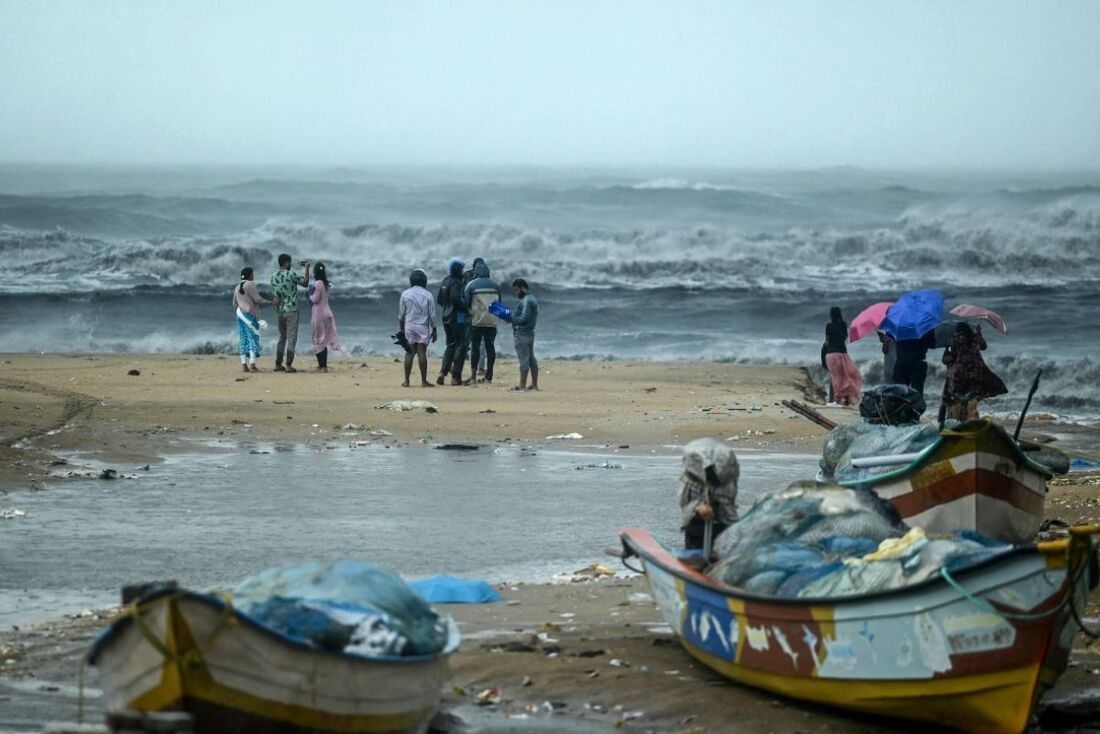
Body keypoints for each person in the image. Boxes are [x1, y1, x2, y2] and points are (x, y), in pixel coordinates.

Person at [679, 438, 739, 551]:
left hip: (721, 523)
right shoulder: (693, 481)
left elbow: (728, 501)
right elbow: (686, 501)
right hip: (697, 524)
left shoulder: (727, 479)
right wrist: (699, 509)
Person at [942, 322, 1007, 421]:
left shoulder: (955, 338)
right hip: (976, 368)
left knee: (958, 396)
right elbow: (984, 346)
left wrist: (948, 349)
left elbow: (952, 355)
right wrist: (979, 332)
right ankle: (972, 421)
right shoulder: (975, 336)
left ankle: (955, 422)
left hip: (961, 369)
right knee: (973, 396)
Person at [270, 254, 310, 373]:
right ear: (286, 262)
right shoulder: (291, 274)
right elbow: (305, 283)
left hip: (280, 310)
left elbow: (276, 294)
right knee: (292, 337)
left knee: (282, 337)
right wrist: (307, 269)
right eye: (290, 262)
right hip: (292, 309)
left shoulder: (273, 276)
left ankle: (278, 363)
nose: (291, 264)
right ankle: (288, 364)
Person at [233, 267, 278, 373]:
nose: (253, 276)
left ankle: (244, 364)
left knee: (243, 338)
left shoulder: (236, 287)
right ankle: (252, 364)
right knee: (253, 337)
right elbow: (258, 299)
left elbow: (234, 304)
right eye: (252, 274)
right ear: (249, 275)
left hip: (239, 315)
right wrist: (271, 302)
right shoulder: (250, 284)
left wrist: (240, 312)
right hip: (250, 315)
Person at [464, 260, 502, 383]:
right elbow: (499, 304)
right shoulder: (496, 286)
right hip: (491, 321)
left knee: (475, 348)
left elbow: (466, 303)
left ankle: (474, 376)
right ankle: (489, 376)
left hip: (477, 321)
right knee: (490, 347)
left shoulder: (471, 285)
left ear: (477, 272)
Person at [399, 269, 438, 387]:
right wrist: (434, 330)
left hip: (409, 326)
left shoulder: (405, 294)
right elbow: (432, 315)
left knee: (409, 353)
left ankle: (406, 381)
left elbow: (401, 315)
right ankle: (423, 381)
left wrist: (401, 330)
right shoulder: (428, 295)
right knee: (422, 352)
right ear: (424, 281)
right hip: (423, 327)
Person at [435, 258, 469, 385]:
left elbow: (439, 299)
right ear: (459, 270)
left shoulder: (445, 280)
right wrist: (467, 309)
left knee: (450, 345)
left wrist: (447, 307)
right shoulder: (456, 282)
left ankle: (442, 373)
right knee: (460, 346)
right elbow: (456, 298)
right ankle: (456, 377)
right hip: (457, 318)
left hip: (445, 317)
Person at [821, 306, 862, 406]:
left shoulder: (828, 326)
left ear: (831, 315)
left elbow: (827, 341)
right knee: (848, 377)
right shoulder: (844, 325)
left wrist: (823, 353)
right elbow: (845, 338)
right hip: (843, 354)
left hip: (831, 355)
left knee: (835, 378)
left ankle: (832, 401)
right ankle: (846, 400)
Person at [308, 262, 342, 373]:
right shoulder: (326, 284)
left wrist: (309, 293)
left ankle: (322, 366)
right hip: (327, 312)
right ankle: (324, 366)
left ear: (315, 272)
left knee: (318, 340)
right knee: (324, 339)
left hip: (319, 314)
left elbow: (314, 299)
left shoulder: (318, 283)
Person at [509, 278, 539, 391]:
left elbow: (523, 318)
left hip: (522, 333)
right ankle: (534, 385)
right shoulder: (532, 299)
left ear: (522, 288)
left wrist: (511, 319)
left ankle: (522, 385)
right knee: (531, 358)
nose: (516, 293)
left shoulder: (527, 300)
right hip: (530, 333)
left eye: (517, 290)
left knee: (524, 359)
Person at [892, 329, 938, 397]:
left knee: (899, 395)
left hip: (901, 363)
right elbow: (933, 344)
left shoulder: (900, 326)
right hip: (917, 363)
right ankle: (915, 407)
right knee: (917, 394)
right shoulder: (923, 327)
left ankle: (902, 406)